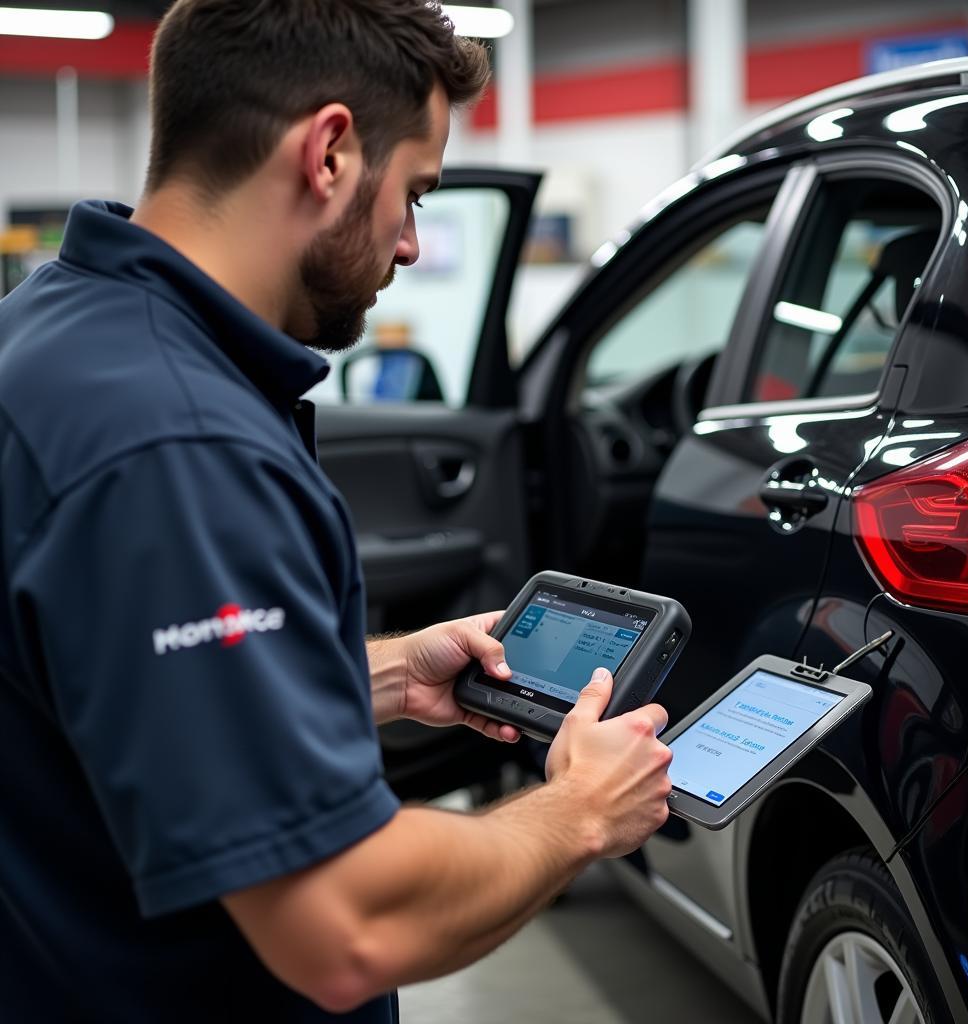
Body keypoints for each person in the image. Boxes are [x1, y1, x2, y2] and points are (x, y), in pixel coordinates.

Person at [0, 2, 674, 1021]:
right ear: (329, 153)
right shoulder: (181, 445)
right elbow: (344, 919)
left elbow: (121, 688)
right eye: (414, 193)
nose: (409, 243)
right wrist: (579, 813)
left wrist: (393, 674)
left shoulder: (49, 331)